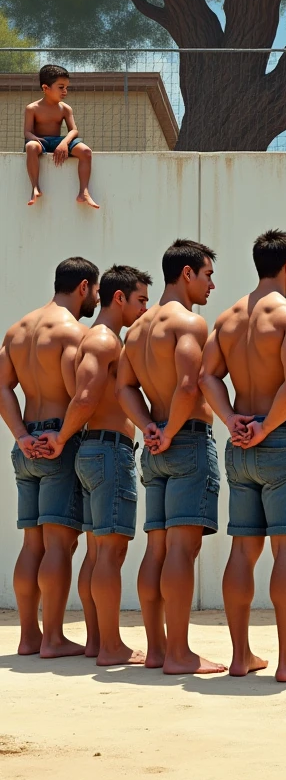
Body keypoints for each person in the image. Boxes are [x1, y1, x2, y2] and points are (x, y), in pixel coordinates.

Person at [199, 229, 286, 682]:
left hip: (240, 445)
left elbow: (207, 377)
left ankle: (241, 657)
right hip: (279, 441)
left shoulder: (228, 318)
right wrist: (265, 427)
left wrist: (234, 419)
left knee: (243, 549)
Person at [116, 239, 225, 675]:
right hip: (187, 443)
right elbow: (188, 385)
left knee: (156, 550)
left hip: (156, 446)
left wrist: (149, 429)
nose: (211, 284)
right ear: (187, 274)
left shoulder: (137, 329)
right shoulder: (189, 323)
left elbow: (124, 387)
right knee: (182, 550)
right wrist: (173, 431)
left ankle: (158, 650)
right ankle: (179, 654)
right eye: (208, 275)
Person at [40, 265, 153, 666]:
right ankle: (111, 646)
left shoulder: (97, 339)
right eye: (140, 300)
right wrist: (60, 436)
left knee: (95, 553)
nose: (145, 308)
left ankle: (95, 642)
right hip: (107, 451)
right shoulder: (104, 341)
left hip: (95, 451)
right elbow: (85, 397)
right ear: (119, 298)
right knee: (111, 554)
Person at [0, 257, 99, 657]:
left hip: (26, 444)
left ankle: (28, 637)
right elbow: (80, 395)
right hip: (60, 440)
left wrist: (22, 435)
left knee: (32, 544)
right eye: (94, 291)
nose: (96, 297)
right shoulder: (73, 332)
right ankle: (54, 638)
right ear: (83, 287)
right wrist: (61, 437)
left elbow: (4, 389)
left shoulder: (16, 330)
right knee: (60, 545)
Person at [24, 64, 99, 209]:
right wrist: (34, 138)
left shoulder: (65, 108)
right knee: (30, 146)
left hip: (59, 141)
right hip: (41, 141)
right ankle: (35, 187)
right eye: (61, 87)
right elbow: (27, 132)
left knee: (86, 152)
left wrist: (64, 143)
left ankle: (84, 191)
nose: (65, 91)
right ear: (46, 88)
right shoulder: (32, 108)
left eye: (66, 87)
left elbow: (74, 130)